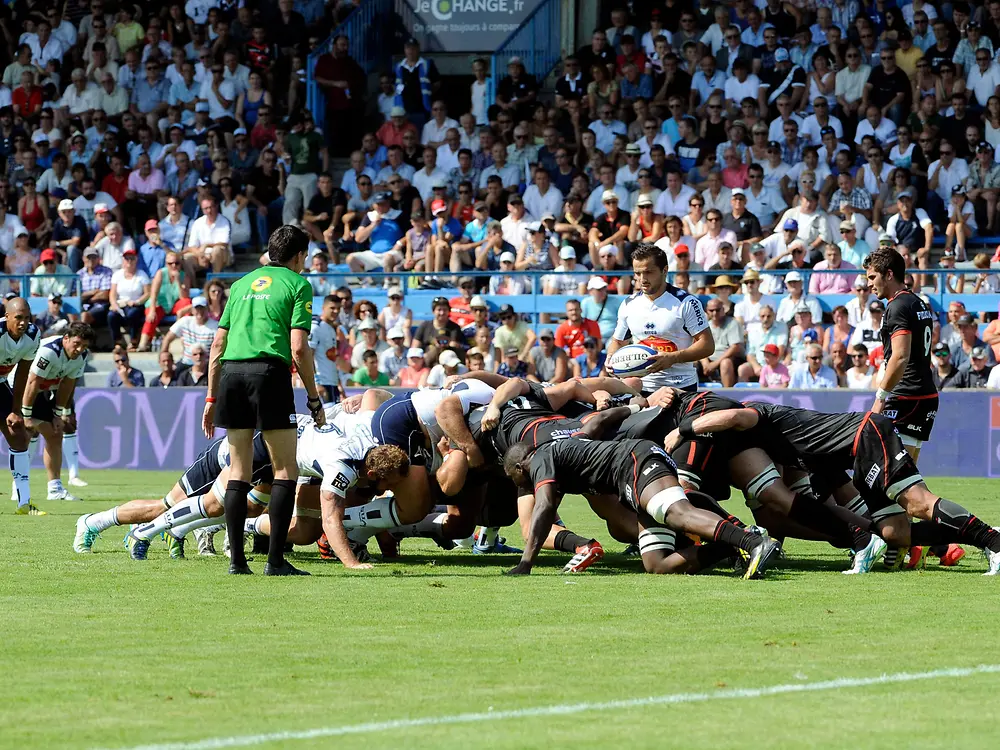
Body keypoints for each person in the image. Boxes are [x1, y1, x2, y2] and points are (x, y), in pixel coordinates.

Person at [202, 225, 324, 576]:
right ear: (300, 255)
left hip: (231, 376)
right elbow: (298, 347)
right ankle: (274, 561)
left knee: (238, 470)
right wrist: (314, 399)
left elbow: (217, 345)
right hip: (269, 375)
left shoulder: (240, 285)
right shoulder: (299, 284)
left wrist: (211, 397)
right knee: (286, 469)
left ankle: (237, 562)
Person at [502, 437, 780, 577]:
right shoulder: (556, 459)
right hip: (632, 477)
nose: (516, 483)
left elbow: (545, 505)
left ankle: (753, 541)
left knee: (676, 513)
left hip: (635, 461)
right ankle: (731, 546)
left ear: (518, 467)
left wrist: (526, 562)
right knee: (657, 564)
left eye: (511, 478)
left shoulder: (541, 456)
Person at [608, 243, 712, 395]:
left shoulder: (687, 302)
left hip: (680, 386)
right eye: (637, 273)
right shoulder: (628, 304)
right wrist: (611, 358)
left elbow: (707, 345)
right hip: (641, 387)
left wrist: (673, 358)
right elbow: (617, 341)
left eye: (648, 272)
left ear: (665, 270)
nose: (642, 279)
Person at [17, 323, 94, 505]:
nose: (79, 349)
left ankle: (54, 489)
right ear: (65, 338)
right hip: (21, 387)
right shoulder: (49, 351)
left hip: (44, 390)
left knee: (55, 433)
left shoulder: (81, 356)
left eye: (84, 346)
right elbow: (32, 382)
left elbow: (68, 384)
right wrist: (26, 416)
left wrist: (59, 414)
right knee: (24, 433)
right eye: (76, 343)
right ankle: (19, 486)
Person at [0, 298, 42, 514]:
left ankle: (23, 502)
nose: (24, 322)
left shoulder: (33, 336)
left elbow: (23, 373)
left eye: (27, 318)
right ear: (6, 317)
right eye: (18, 318)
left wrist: (16, 411)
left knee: (18, 436)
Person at [108, 248, 150, 348]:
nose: (129, 261)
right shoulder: (117, 275)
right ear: (123, 260)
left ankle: (133, 339)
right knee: (111, 315)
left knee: (133, 314)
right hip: (121, 303)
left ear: (136, 260)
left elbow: (148, 293)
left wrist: (138, 301)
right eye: (127, 259)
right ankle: (117, 341)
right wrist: (114, 304)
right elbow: (112, 293)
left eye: (132, 259)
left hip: (136, 304)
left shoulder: (142, 275)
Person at [701, 298, 744, 386]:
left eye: (717, 310)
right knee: (691, 363)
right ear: (707, 311)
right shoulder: (706, 325)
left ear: (723, 310)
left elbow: (735, 347)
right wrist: (705, 362)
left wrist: (715, 363)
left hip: (730, 358)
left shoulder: (732, 323)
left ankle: (727, 394)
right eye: (711, 310)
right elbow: (699, 345)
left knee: (725, 363)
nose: (714, 313)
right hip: (710, 359)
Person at [185, 196, 232, 275]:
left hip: (222, 256)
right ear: (202, 209)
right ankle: (193, 286)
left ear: (216, 206)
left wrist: (206, 245)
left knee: (217, 250)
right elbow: (192, 246)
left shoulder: (224, 221)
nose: (209, 211)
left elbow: (224, 243)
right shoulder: (198, 222)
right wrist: (200, 255)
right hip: (203, 255)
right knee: (186, 259)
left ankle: (215, 281)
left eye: (211, 207)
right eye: (206, 208)